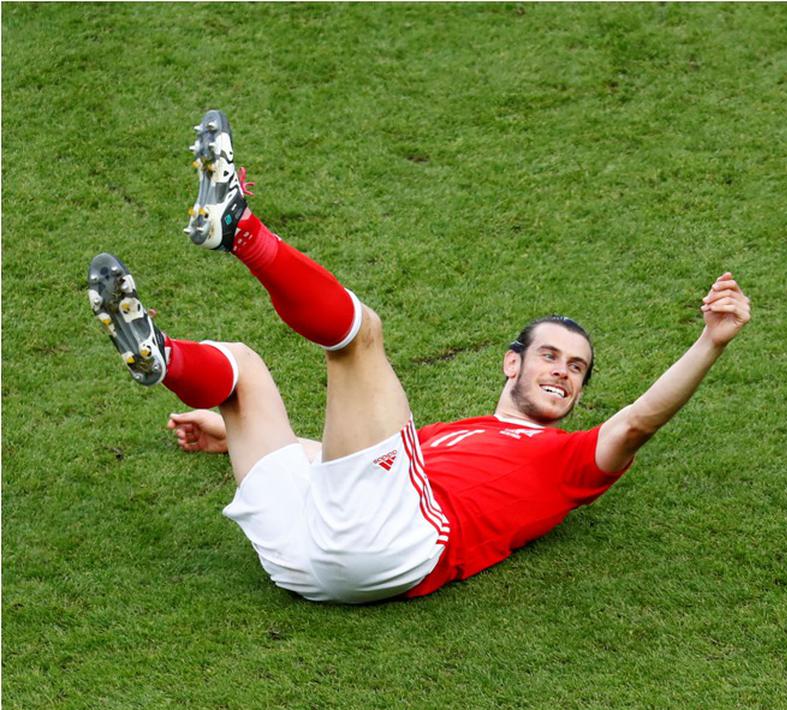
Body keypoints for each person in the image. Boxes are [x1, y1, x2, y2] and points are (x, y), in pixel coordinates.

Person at [88, 109, 752, 603]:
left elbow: (637, 421)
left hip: (390, 548)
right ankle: (161, 357)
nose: (563, 373)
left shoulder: (570, 461)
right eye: (551, 356)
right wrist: (234, 432)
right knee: (238, 373)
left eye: (576, 369)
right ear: (510, 363)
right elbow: (355, 465)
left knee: (360, 338)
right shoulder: (442, 439)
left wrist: (709, 342)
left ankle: (241, 229)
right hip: (298, 556)